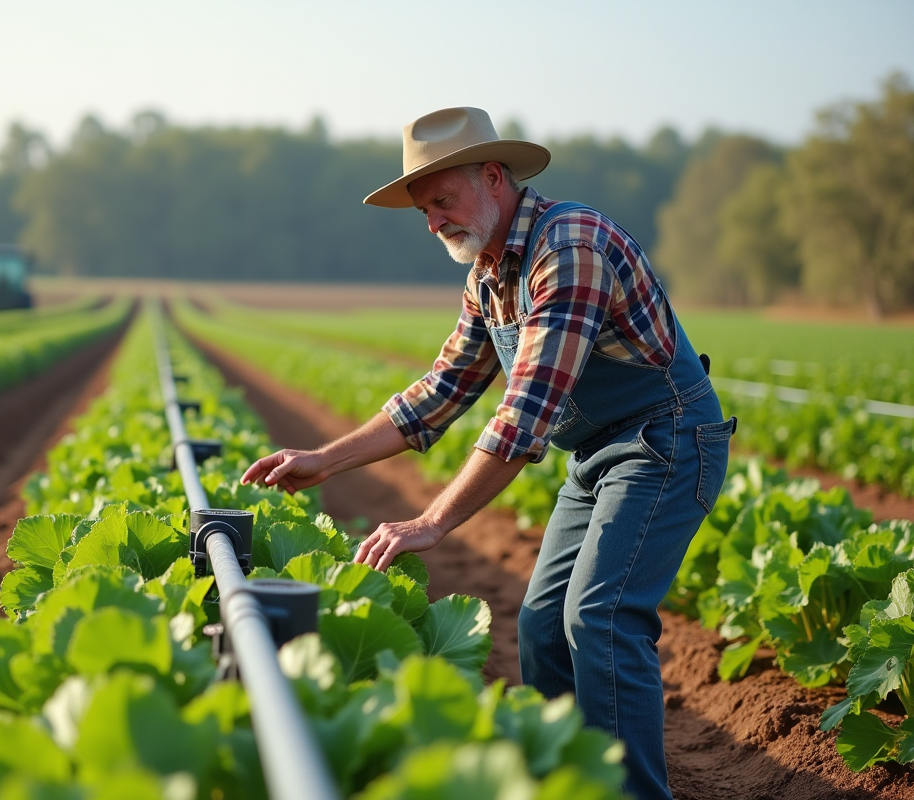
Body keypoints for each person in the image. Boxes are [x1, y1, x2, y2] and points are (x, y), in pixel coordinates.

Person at [239, 106, 735, 800]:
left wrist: (434, 520)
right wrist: (326, 459)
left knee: (600, 616)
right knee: (539, 627)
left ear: (494, 179)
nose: (434, 220)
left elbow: (525, 412)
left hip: (666, 441)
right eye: (423, 209)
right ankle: (574, 782)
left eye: (442, 199)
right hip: (596, 454)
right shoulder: (488, 275)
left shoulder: (571, 249)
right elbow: (442, 389)